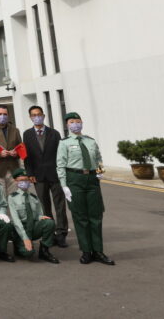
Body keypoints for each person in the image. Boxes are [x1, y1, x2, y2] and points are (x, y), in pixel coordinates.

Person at [56, 112, 114, 265]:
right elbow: (60, 165)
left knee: (96, 216)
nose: (75, 124)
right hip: (74, 179)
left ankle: (98, 251)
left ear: (82, 122)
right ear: (67, 125)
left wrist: (100, 170)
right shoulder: (64, 143)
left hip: (92, 180)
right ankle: (86, 251)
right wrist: (64, 185)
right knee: (80, 216)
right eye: (71, 122)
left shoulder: (91, 141)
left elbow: (98, 158)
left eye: (77, 121)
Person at [23, 104, 69, 248]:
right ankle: (49, 232)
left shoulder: (54, 133)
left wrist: (62, 173)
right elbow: (27, 156)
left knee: (59, 205)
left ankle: (61, 234)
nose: (37, 117)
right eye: (34, 115)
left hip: (55, 175)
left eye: (39, 114)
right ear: (30, 118)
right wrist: (29, 173)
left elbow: (61, 155)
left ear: (43, 116)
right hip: (38, 176)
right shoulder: (27, 134)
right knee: (44, 206)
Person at [7, 168, 59, 263]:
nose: (24, 182)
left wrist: (40, 217)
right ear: (16, 181)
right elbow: (16, 221)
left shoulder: (34, 197)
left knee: (49, 222)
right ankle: (18, 245)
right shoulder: (12, 198)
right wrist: (25, 238)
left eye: (26, 180)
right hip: (21, 230)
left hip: (33, 227)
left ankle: (44, 251)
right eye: (21, 180)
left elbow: (39, 214)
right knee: (28, 253)